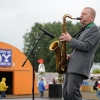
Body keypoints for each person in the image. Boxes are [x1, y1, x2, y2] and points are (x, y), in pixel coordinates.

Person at [59, 7, 100, 100]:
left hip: (79, 67)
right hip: (73, 65)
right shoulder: (85, 30)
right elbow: (79, 49)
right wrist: (70, 56)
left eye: (84, 14)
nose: (81, 15)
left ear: (91, 18)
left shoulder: (94, 29)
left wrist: (70, 39)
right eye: (81, 13)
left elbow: (86, 46)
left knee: (72, 93)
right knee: (66, 93)